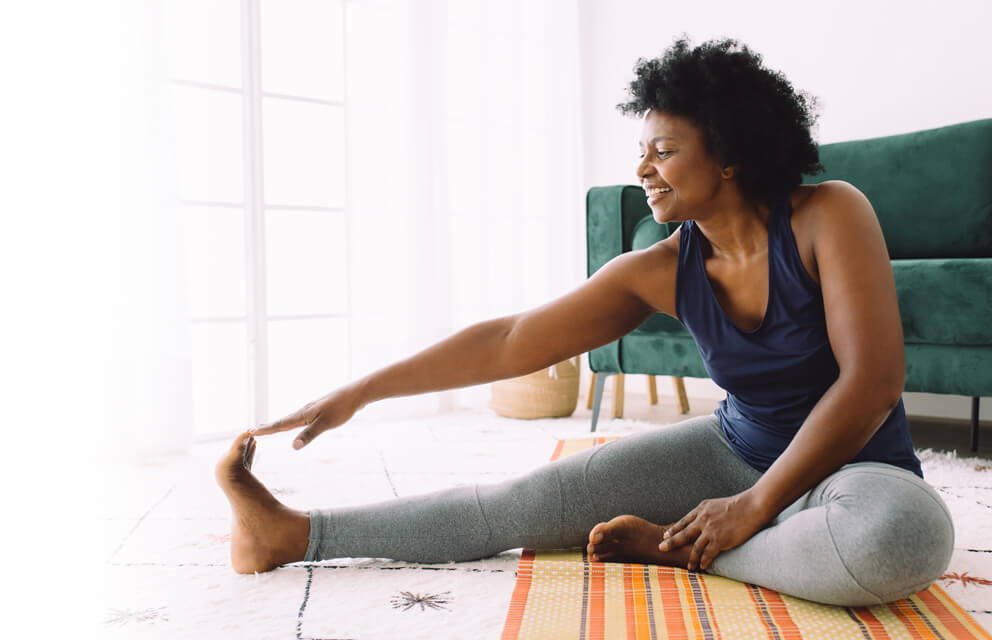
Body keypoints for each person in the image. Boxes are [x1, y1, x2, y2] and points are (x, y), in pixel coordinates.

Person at [213, 36, 954, 607]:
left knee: (901, 541)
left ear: (729, 156)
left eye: (665, 150)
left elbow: (873, 383)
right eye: (641, 151)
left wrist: (751, 510)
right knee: (524, 504)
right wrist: (363, 390)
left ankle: (682, 548)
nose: (644, 169)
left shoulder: (830, 215)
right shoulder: (659, 267)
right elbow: (510, 340)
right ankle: (293, 534)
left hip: (854, 476)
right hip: (733, 452)